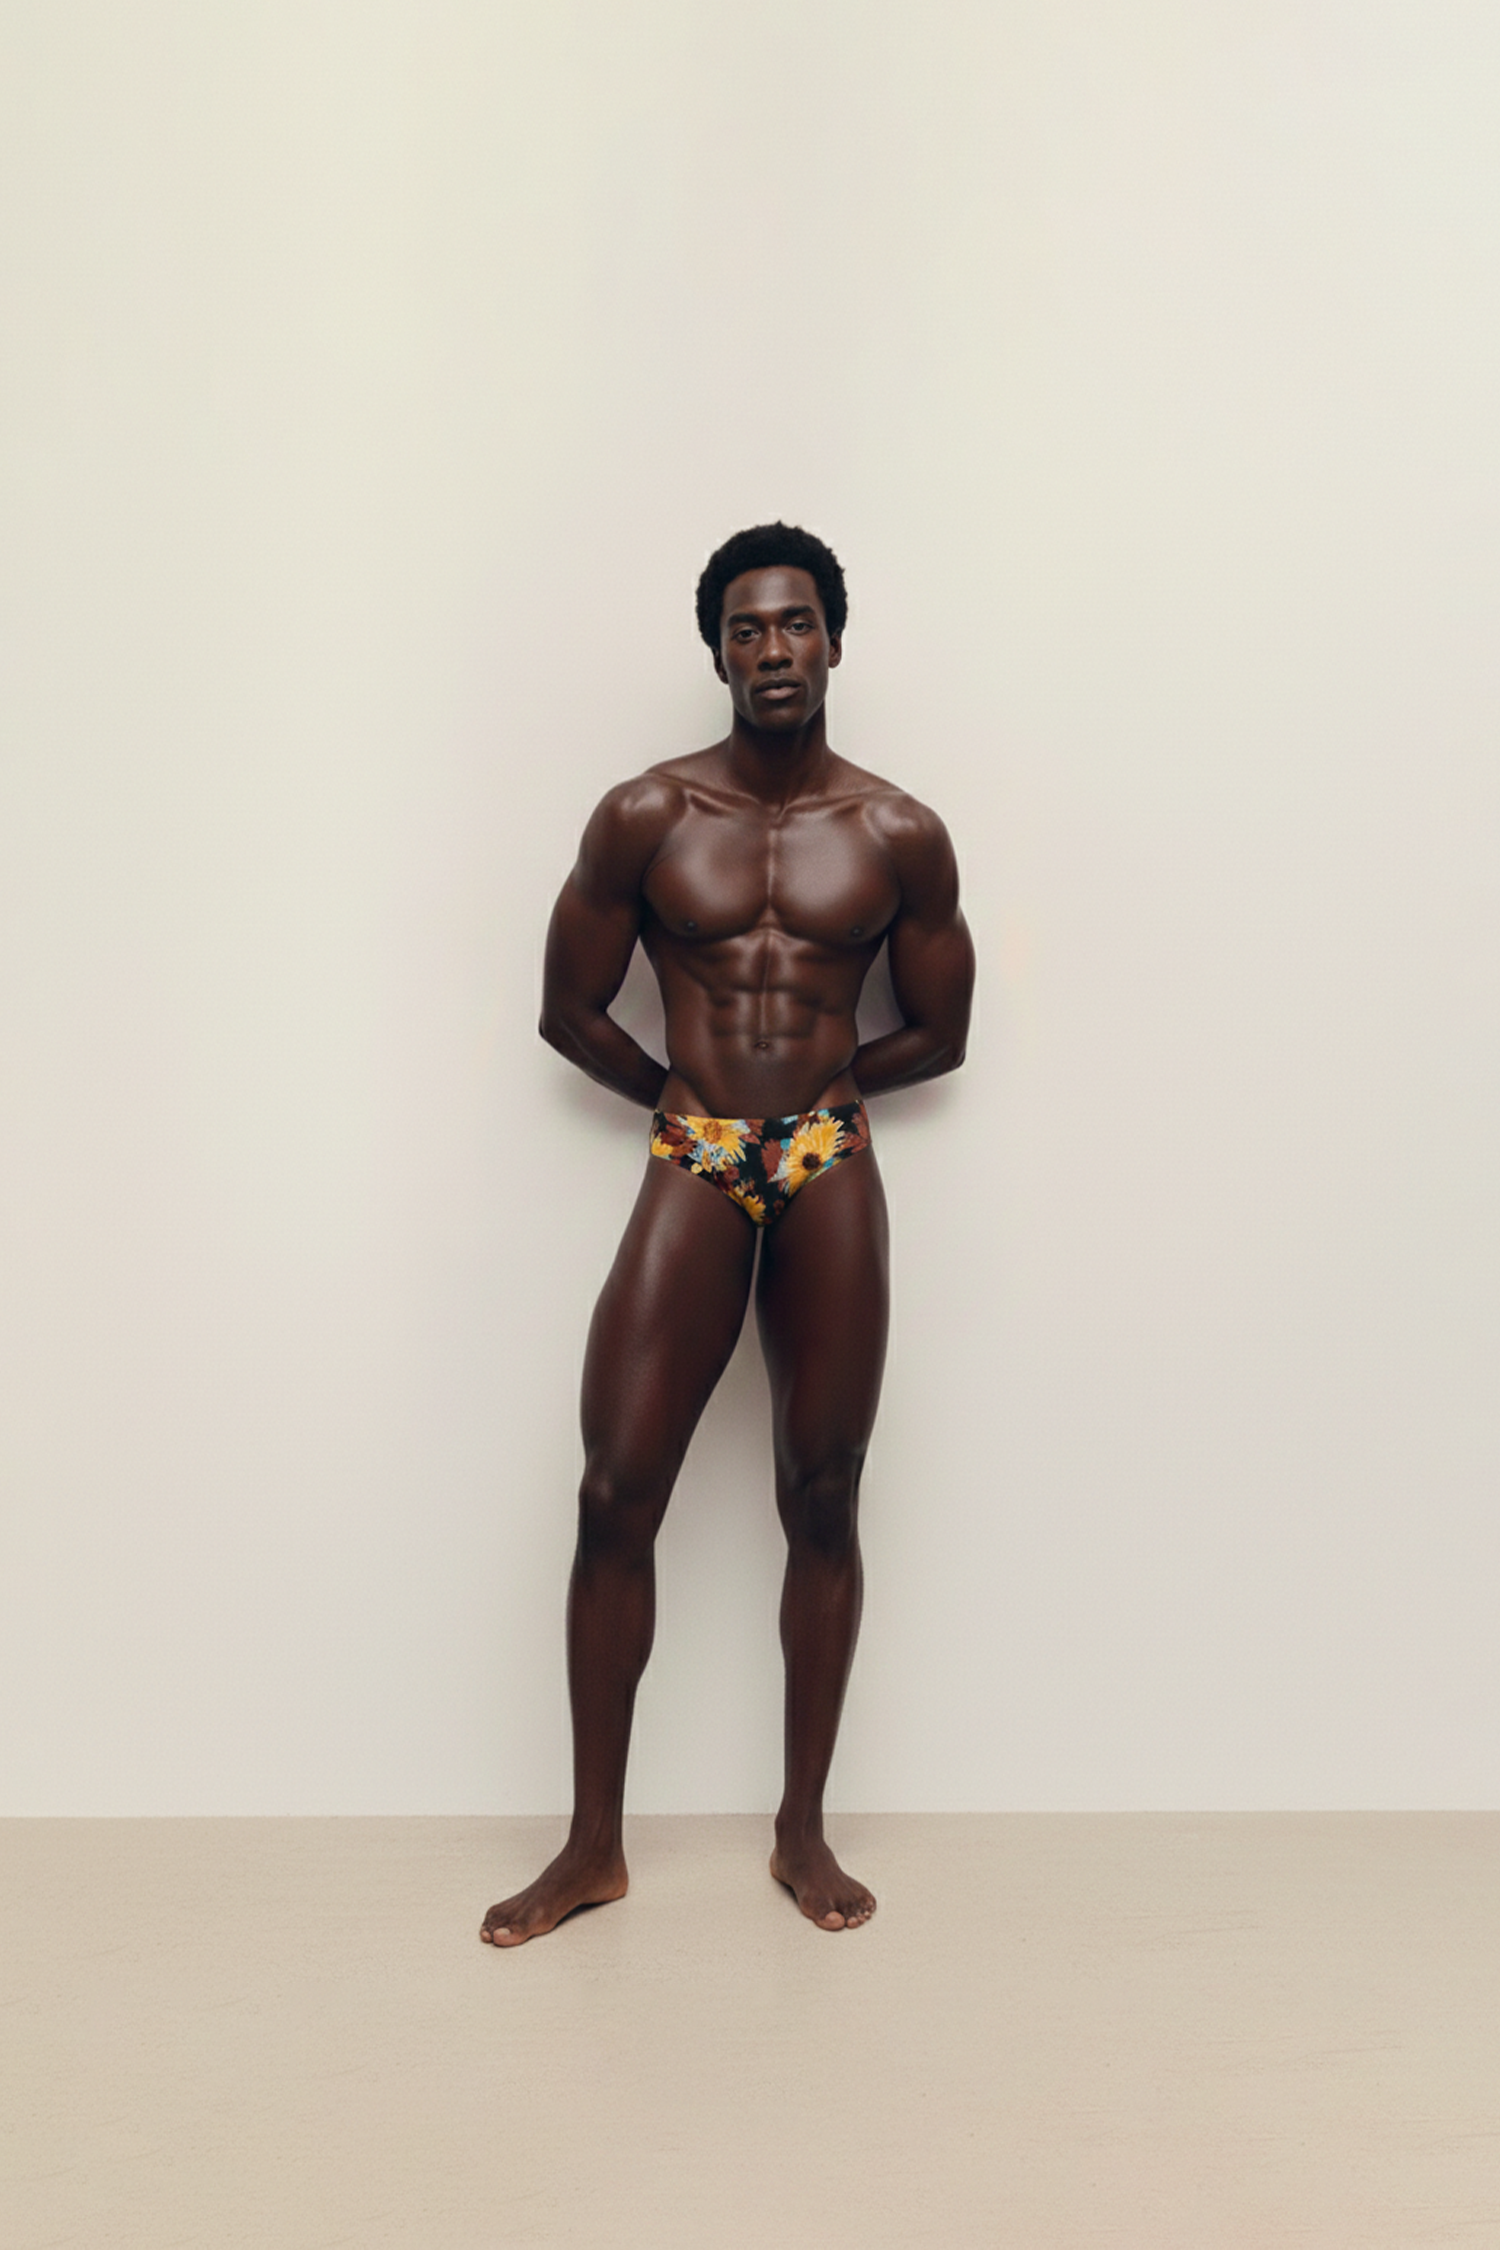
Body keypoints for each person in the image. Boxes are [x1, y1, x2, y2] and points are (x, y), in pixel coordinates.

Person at [481, 523, 974, 1944]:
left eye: (796, 623)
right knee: (613, 1491)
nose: (774, 649)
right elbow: (566, 1010)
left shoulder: (897, 831)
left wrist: (825, 1089)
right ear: (717, 652)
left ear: (835, 641)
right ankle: (592, 1848)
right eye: (748, 628)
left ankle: (801, 1832)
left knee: (823, 1492)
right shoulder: (647, 815)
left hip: (826, 1156)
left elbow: (941, 1031)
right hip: (697, 1150)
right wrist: (681, 1097)